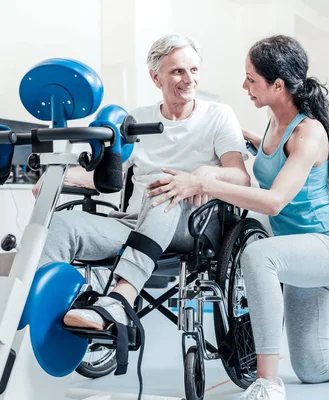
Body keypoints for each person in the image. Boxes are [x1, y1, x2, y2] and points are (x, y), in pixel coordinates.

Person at [146, 35, 329, 400]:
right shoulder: (273, 121)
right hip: (300, 254)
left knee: (259, 255)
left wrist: (202, 183)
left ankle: (268, 382)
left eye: (251, 79)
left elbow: (274, 201)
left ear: (277, 85)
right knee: (313, 367)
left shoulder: (308, 132)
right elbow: (267, 155)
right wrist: (229, 137)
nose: (244, 86)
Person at [33, 33, 250, 329]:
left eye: (194, 70)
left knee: (162, 188)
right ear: (155, 77)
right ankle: (50, 314)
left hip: (194, 226)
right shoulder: (137, 119)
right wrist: (58, 176)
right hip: (135, 223)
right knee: (62, 225)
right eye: (177, 71)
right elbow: (110, 176)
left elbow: (240, 177)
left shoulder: (218, 115)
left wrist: (202, 176)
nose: (189, 79)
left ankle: (120, 299)